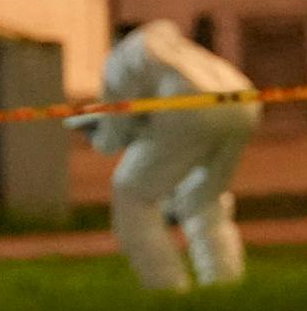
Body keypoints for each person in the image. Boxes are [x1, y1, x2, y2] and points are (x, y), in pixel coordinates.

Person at [77, 19, 259, 290]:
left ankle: (166, 286)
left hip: (192, 107)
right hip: (244, 102)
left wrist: (96, 135)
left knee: (132, 194)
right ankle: (224, 283)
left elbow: (115, 129)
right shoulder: (177, 48)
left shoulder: (123, 55)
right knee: (204, 198)